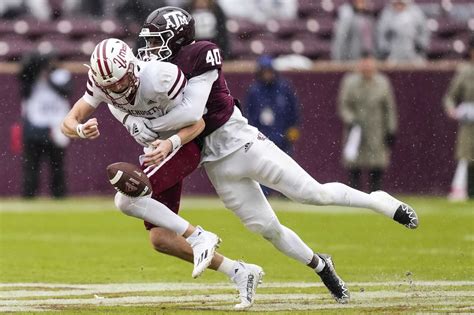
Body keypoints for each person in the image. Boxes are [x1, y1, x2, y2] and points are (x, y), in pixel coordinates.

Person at [132, 6, 419, 306]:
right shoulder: (156, 72)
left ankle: (378, 201)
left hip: (243, 145)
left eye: (156, 41)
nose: (150, 49)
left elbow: (192, 112)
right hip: (215, 163)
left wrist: (152, 125)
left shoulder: (201, 54)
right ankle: (322, 266)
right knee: (268, 230)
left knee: (313, 194)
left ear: (177, 39)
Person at [60, 38, 263, 310]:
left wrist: (171, 142)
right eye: (109, 86)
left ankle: (199, 236)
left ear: (131, 67)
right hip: (158, 150)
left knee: (126, 199)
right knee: (161, 239)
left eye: (119, 81)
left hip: (185, 143)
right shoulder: (104, 82)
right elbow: (68, 122)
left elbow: (198, 122)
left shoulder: (161, 77)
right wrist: (81, 130)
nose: (116, 89)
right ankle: (239, 272)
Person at [337, 53, 398, 192]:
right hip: (356, 130)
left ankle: (376, 195)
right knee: (354, 166)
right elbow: (344, 105)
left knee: (377, 166)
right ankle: (355, 194)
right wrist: (351, 120)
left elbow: (389, 108)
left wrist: (391, 129)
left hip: (376, 129)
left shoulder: (383, 83)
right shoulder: (350, 82)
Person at [19, 51, 72, 198]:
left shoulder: (62, 75)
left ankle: (59, 194)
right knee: (31, 165)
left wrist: (48, 78)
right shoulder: (31, 77)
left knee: (57, 165)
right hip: (35, 125)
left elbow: (66, 91)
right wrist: (34, 71)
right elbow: (24, 92)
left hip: (56, 125)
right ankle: (29, 195)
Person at [246, 55, 300, 195]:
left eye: (269, 71)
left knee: (286, 166)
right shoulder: (254, 91)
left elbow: (293, 110)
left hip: (283, 135)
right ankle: (265, 193)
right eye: (264, 71)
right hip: (263, 136)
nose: (267, 75)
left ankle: (287, 194)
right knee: (263, 168)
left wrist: (293, 128)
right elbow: (250, 115)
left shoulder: (284, 87)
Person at [443, 37, 474, 200]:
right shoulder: (465, 72)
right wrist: (452, 109)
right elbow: (450, 96)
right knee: (468, 156)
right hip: (469, 124)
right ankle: (469, 192)